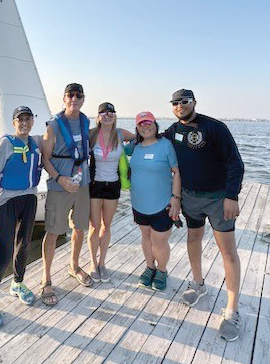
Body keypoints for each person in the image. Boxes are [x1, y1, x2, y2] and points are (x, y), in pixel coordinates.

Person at [163, 89, 244, 342]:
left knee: (227, 251)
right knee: (193, 238)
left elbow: (235, 163)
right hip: (190, 197)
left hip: (219, 198)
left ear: (194, 102)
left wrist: (232, 195)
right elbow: (148, 140)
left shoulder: (215, 128)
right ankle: (198, 284)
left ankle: (232, 310)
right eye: (175, 103)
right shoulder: (171, 131)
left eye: (184, 102)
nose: (180, 106)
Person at [0, 106, 41, 329]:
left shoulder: (35, 143)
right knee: (4, 254)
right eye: (20, 119)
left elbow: (56, 136)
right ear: (14, 122)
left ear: (33, 121)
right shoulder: (6, 143)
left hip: (29, 199)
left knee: (23, 245)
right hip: (6, 202)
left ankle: (17, 283)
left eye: (28, 119)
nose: (25, 123)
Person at [40, 83, 92, 306]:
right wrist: (60, 179)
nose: (74, 99)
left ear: (83, 99)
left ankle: (74, 265)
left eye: (78, 95)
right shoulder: (53, 126)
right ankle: (46, 277)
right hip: (60, 186)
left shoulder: (85, 121)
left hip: (82, 184)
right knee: (53, 231)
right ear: (64, 98)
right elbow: (45, 157)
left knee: (79, 227)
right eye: (70, 95)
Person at [129, 111, 181, 291]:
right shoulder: (134, 146)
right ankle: (150, 267)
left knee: (159, 242)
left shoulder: (165, 145)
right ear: (136, 128)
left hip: (162, 204)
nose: (145, 126)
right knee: (146, 237)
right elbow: (114, 142)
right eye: (141, 124)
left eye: (148, 123)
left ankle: (161, 270)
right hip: (139, 204)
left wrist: (176, 198)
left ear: (155, 125)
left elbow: (176, 172)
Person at [87, 102, 135, 283]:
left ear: (115, 116)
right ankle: (92, 264)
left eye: (111, 112)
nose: (108, 115)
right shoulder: (91, 135)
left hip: (113, 185)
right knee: (94, 227)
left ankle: (102, 263)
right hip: (95, 185)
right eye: (104, 112)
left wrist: (131, 150)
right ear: (98, 116)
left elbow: (142, 136)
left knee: (107, 226)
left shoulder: (121, 134)